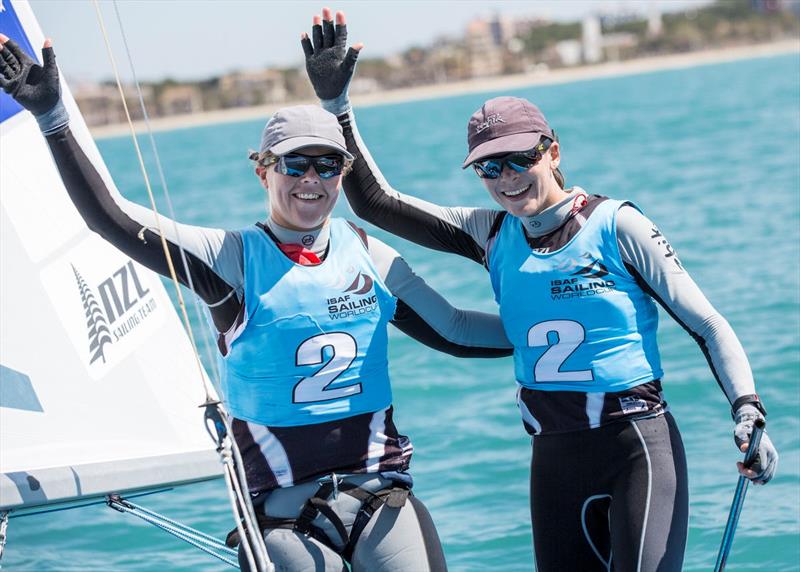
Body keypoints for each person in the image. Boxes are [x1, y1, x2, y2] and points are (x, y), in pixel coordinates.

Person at [0, 32, 515, 572]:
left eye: (328, 166)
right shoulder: (231, 260)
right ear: (263, 171)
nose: (312, 180)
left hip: (379, 499)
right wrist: (53, 117)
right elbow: (113, 218)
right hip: (283, 519)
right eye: (296, 166)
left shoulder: (370, 254)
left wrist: (573, 318)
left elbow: (455, 330)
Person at [299, 9, 780, 571]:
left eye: (522, 159)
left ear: (553, 151)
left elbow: (707, 324)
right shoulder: (492, 232)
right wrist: (337, 110)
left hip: (637, 447)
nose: (508, 178)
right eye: (490, 168)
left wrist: (747, 409)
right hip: (552, 457)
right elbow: (377, 202)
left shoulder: (617, 225)